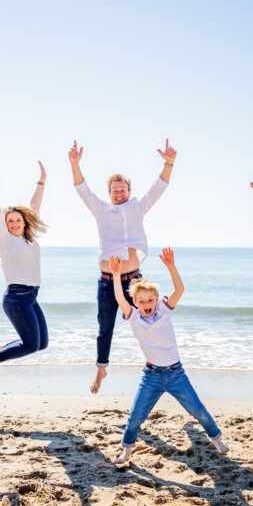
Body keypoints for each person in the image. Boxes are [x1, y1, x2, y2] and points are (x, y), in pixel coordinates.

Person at [71, 138, 175, 394]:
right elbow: (81, 188)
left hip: (133, 280)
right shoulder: (101, 210)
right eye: (115, 190)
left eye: (123, 189)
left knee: (146, 322)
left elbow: (158, 187)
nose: (119, 193)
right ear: (109, 193)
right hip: (107, 281)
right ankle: (101, 369)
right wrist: (74, 164)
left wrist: (168, 163)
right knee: (105, 327)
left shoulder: (138, 206)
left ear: (129, 190)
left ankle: (159, 365)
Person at [108, 249, 228, 465]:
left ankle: (216, 439)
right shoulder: (133, 316)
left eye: (150, 300)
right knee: (136, 417)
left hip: (175, 374)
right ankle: (126, 451)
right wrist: (116, 275)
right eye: (142, 301)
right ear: (135, 302)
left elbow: (179, 290)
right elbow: (119, 297)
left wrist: (171, 266)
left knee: (198, 410)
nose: (147, 305)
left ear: (156, 300)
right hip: (151, 375)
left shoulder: (164, 309)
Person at [0, 161, 49, 382]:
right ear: (5, 225)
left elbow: (34, 207)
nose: (15, 223)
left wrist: (42, 181)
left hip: (31, 297)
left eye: (18, 220)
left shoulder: (28, 239)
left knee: (41, 344)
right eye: (10, 221)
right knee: (30, 344)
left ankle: (0, 349)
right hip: (17, 297)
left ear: (24, 223)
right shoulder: (5, 240)